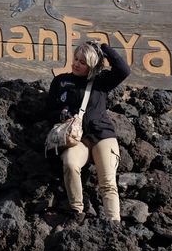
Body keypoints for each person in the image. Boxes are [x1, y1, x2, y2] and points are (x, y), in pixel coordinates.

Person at [46, 41, 130, 222]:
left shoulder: (101, 82)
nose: (76, 64)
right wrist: (61, 115)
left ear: (92, 65)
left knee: (108, 182)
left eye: (83, 62)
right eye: (76, 59)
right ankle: (77, 212)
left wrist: (105, 48)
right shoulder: (60, 81)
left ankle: (113, 223)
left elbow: (123, 70)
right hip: (77, 139)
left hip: (102, 136)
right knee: (70, 163)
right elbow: (49, 110)